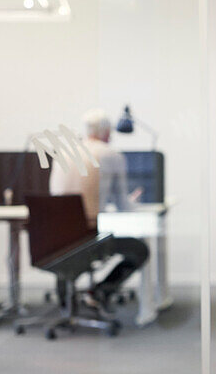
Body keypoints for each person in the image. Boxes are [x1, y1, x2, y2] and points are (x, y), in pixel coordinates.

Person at [49, 108, 148, 308]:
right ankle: (100, 292)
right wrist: (133, 201)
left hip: (54, 243)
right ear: (105, 132)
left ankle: (64, 297)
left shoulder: (64, 153)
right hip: (90, 241)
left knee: (67, 241)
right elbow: (122, 205)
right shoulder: (111, 155)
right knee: (140, 250)